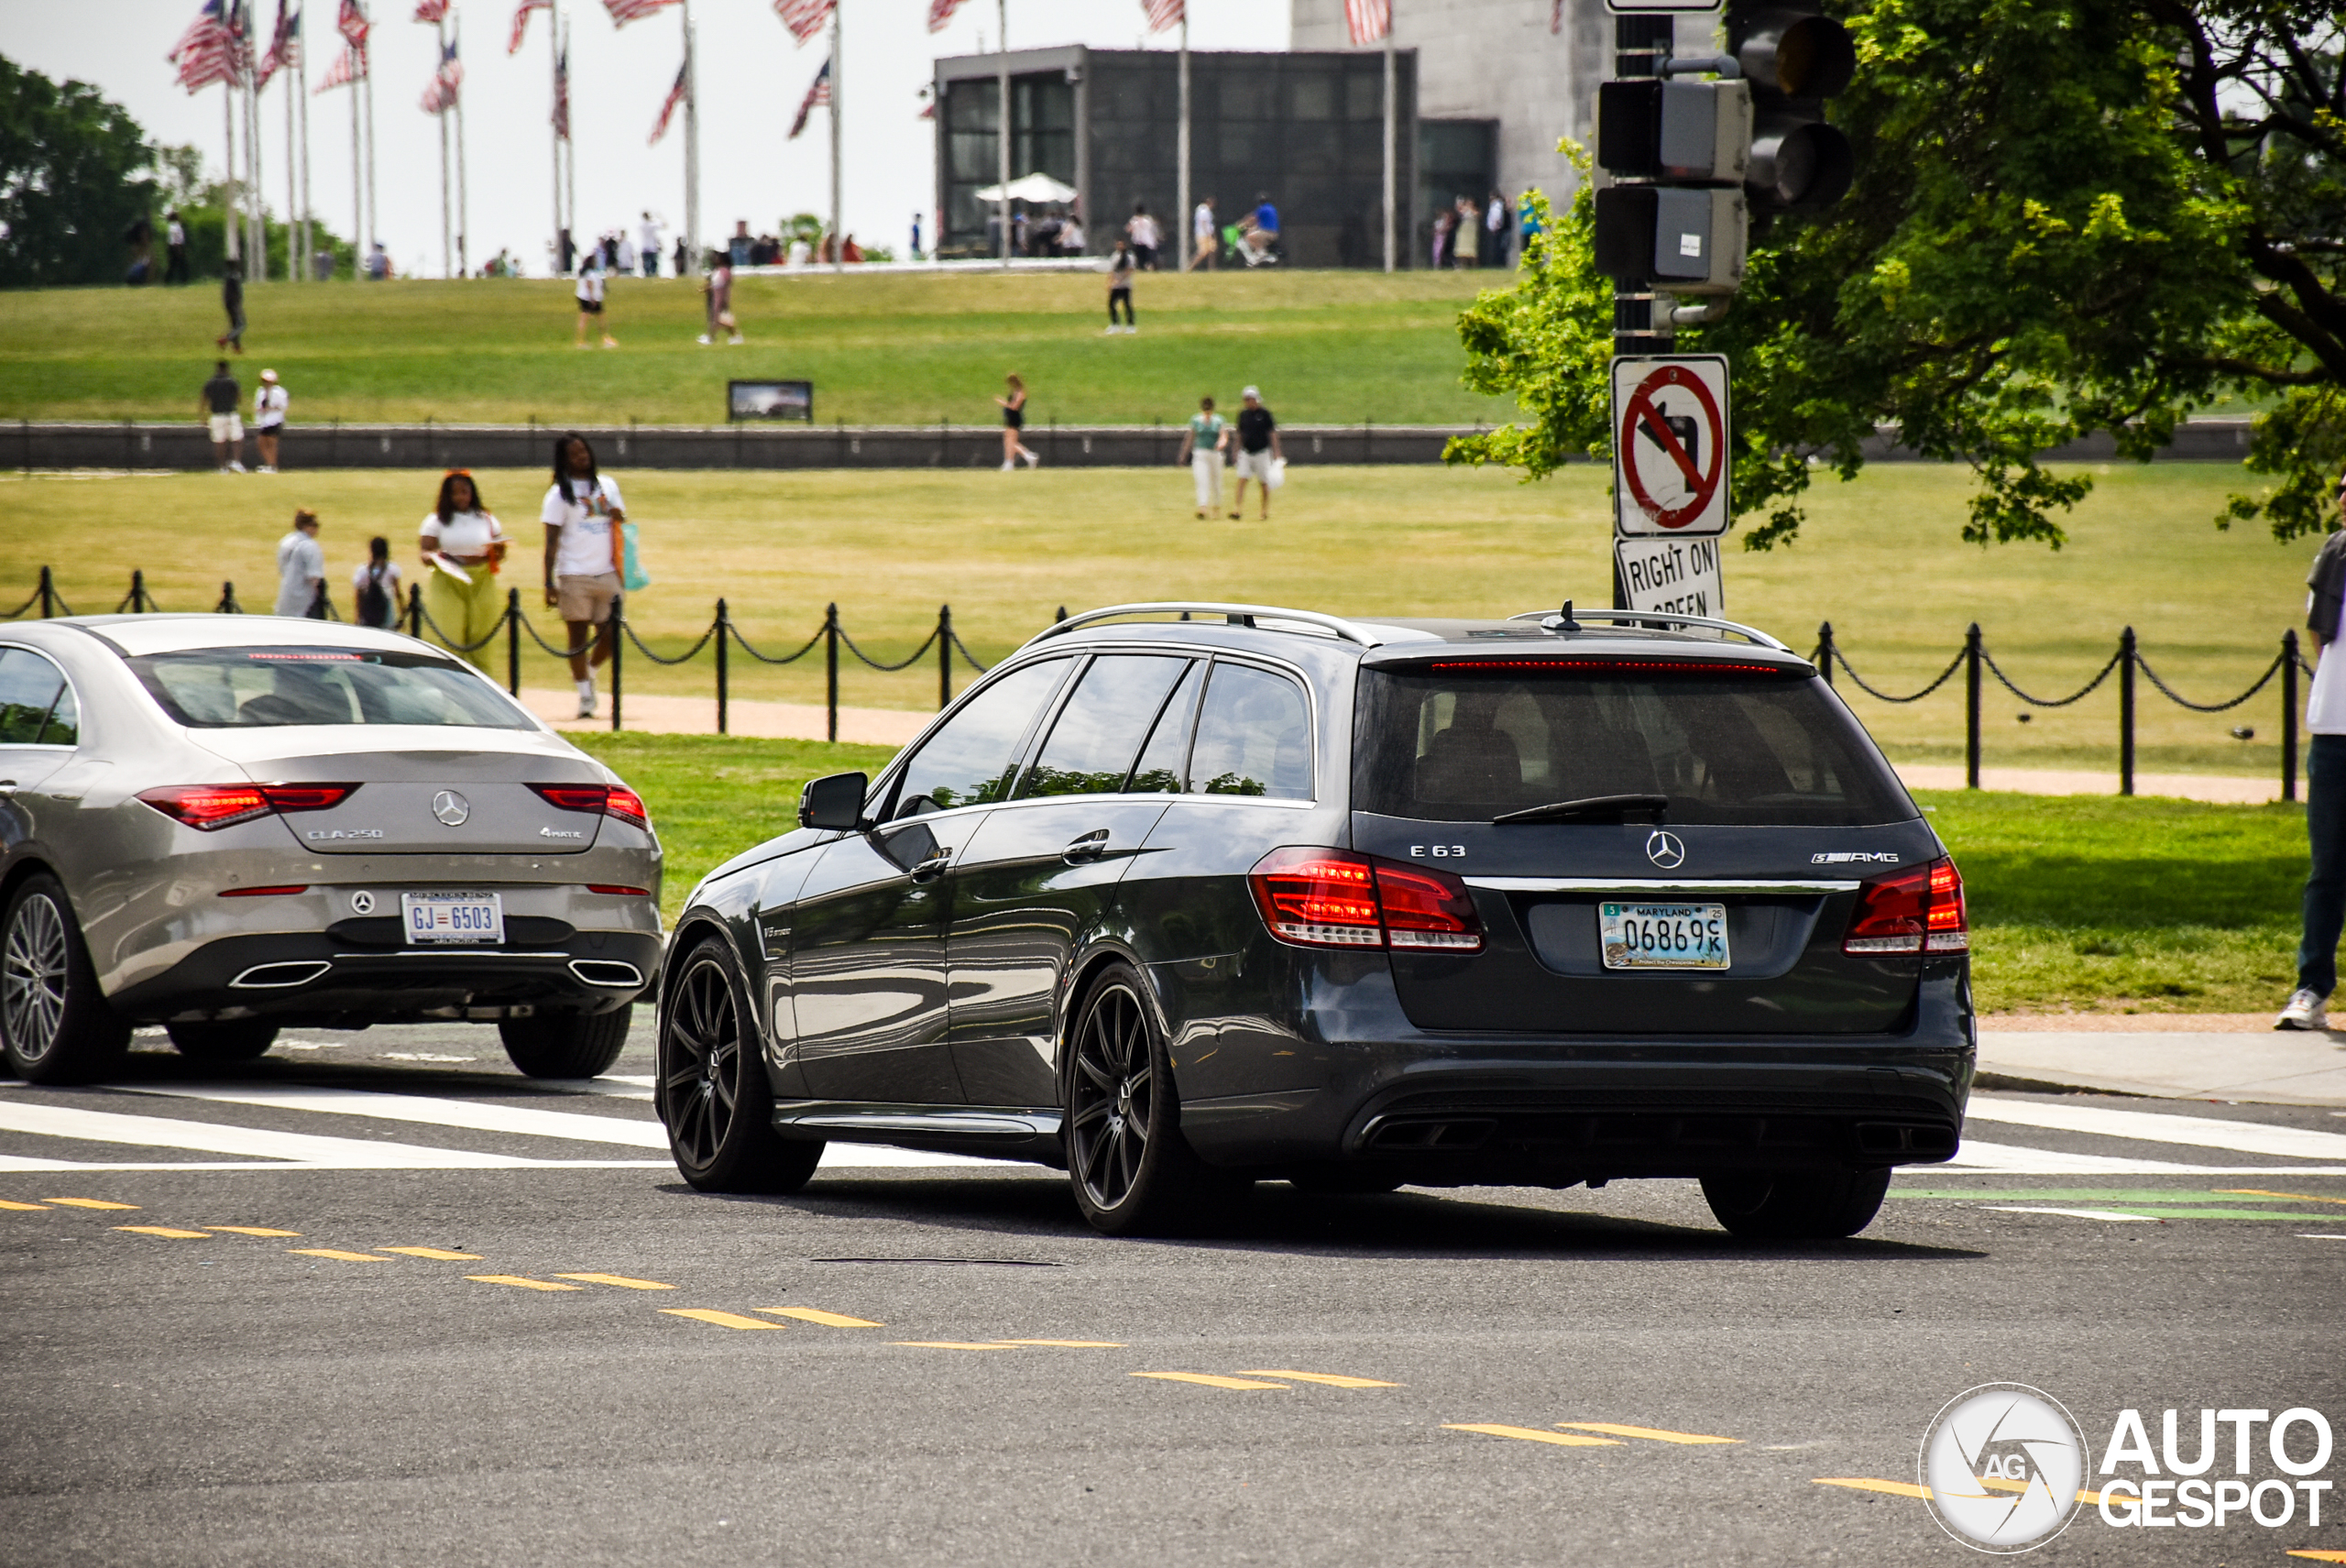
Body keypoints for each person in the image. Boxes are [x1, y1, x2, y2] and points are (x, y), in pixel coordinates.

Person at [2281, 462, 2346, 1030]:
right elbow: (2321, 634)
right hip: (2333, 729)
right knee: (2326, 869)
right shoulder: (2335, 557)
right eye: (2343, 489)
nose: (2345, 498)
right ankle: (2311, 988)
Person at [541, 435, 625, 718]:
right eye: (574, 453)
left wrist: (617, 514)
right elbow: (551, 540)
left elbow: (621, 524)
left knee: (610, 635)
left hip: (607, 570)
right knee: (577, 635)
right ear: (564, 460)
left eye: (584, 450)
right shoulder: (558, 495)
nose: (582, 457)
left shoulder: (607, 485)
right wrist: (548, 581)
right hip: (574, 572)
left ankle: (589, 671)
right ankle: (585, 695)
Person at [418, 470, 508, 670]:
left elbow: (500, 551)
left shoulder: (486, 519)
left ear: (472, 493)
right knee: (450, 635)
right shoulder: (436, 520)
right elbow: (425, 551)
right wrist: (433, 558)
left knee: (482, 636)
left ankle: (482, 686)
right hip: (449, 580)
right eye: (454, 493)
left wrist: (499, 551)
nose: (460, 497)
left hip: (481, 579)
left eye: (464, 492)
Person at [1229, 385, 1283, 521]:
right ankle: (1237, 509)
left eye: (1251, 399)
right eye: (1246, 400)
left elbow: (1272, 433)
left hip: (1262, 452)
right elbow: (1240, 433)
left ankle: (1264, 510)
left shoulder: (1265, 414)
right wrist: (1236, 451)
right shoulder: (1243, 415)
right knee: (1242, 479)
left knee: (1263, 482)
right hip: (1247, 452)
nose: (1249, 402)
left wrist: (1276, 452)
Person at [1177, 396, 1229, 521]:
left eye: (1209, 410)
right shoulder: (1196, 420)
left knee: (1216, 481)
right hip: (1200, 453)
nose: (1207, 412)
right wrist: (1183, 455)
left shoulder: (1218, 420)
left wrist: (1222, 443)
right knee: (1202, 480)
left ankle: (1216, 507)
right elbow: (1190, 437)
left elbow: (1223, 435)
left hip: (1215, 454)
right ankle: (1202, 508)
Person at [274, 510, 326, 618]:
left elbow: (282, 568)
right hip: (305, 600)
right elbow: (314, 578)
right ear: (307, 526)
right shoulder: (310, 546)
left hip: (286, 594)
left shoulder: (286, 542)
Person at [199, 359, 245, 474]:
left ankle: (221, 467)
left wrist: (202, 416)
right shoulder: (232, 382)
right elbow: (239, 398)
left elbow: (203, 400)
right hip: (231, 414)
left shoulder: (210, 383)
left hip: (216, 415)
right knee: (236, 439)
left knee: (219, 442)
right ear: (227, 369)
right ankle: (236, 462)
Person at [350, 534, 403, 630]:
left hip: (367, 609)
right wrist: (402, 613)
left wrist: (357, 617)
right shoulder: (392, 569)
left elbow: (358, 595)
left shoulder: (362, 571)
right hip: (386, 609)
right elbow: (398, 593)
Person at [997, 373, 1040, 471]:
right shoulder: (1016, 392)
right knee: (1009, 441)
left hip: (1014, 418)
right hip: (1010, 417)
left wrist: (1003, 403)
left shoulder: (1021, 392)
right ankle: (1011, 462)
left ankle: (1027, 457)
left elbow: (1015, 406)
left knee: (1011, 442)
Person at [575, 251, 615, 348]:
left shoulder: (586, 273)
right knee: (588, 319)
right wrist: (592, 298)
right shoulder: (590, 274)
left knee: (598, 318)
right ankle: (582, 341)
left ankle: (603, 339)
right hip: (589, 299)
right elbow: (589, 285)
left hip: (588, 298)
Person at [699, 250, 740, 345]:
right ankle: (732, 336)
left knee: (717, 318)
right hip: (714, 296)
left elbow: (723, 284)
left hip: (720, 297)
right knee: (717, 317)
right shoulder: (717, 270)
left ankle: (711, 337)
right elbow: (713, 283)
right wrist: (706, 289)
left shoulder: (725, 271)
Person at [252, 369, 288, 474]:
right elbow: (258, 405)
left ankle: (272, 465)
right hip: (264, 421)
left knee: (271, 443)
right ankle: (269, 464)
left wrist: (270, 409)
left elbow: (282, 406)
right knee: (262, 443)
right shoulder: (260, 391)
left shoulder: (279, 392)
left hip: (274, 420)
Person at [1105, 241, 1136, 335]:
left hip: (1125, 285)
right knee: (1111, 304)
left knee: (1127, 305)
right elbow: (1112, 270)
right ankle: (1115, 324)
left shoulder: (1129, 257)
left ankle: (1130, 325)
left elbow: (1130, 270)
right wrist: (1110, 282)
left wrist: (1120, 280)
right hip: (1115, 286)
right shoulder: (1115, 256)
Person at [217, 258, 247, 354]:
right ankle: (225, 339)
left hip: (228, 303)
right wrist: (238, 302)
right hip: (234, 303)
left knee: (234, 324)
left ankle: (237, 347)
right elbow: (238, 292)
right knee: (241, 325)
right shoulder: (236, 276)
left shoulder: (227, 276)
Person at [1126, 203, 1160, 270]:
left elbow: (1128, 229)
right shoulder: (1148, 219)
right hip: (1147, 241)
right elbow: (1153, 228)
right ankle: (1147, 267)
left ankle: (1143, 267)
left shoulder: (1134, 220)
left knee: (1140, 258)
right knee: (1148, 258)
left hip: (1138, 241)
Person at [1188, 195, 1217, 271]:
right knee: (1203, 252)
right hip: (1203, 234)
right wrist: (1209, 235)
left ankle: (1211, 268)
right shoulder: (1204, 211)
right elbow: (1204, 223)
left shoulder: (1204, 210)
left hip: (1206, 233)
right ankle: (1190, 266)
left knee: (1212, 250)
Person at [1486, 189, 1512, 268]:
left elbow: (1497, 217)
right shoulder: (1498, 205)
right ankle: (1499, 263)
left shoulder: (1497, 205)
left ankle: (1499, 264)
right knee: (1500, 247)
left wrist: (1495, 227)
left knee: (1499, 247)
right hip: (1500, 229)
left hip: (1499, 230)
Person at [164, 209, 190, 285]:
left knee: (173, 265)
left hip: (172, 246)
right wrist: (179, 249)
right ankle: (183, 280)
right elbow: (176, 238)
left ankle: (168, 280)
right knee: (181, 264)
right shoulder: (176, 226)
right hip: (176, 246)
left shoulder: (171, 226)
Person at [640, 213, 663, 277]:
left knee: (646, 266)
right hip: (652, 248)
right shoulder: (652, 225)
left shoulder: (642, 225)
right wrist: (660, 218)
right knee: (654, 266)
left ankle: (646, 276)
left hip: (645, 248)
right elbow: (664, 225)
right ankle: (653, 276)